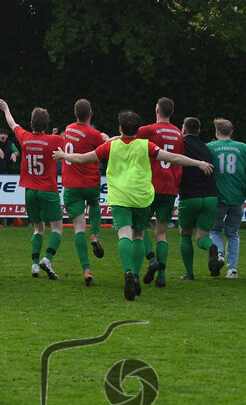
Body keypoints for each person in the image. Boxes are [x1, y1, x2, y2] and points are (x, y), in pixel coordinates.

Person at [54, 110, 213, 300]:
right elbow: (173, 158)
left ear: (120, 128)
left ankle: (127, 271)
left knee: (124, 235)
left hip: (120, 198)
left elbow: (82, 158)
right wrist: (198, 163)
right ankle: (136, 276)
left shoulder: (111, 146)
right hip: (141, 197)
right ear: (137, 129)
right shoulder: (146, 145)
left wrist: (64, 155)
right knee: (138, 235)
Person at [0, 99, 65, 280]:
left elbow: (12, 124)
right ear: (47, 124)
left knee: (37, 228)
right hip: (48, 189)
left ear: (31, 123)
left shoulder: (25, 137)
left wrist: (6, 108)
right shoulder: (55, 140)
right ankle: (47, 259)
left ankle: (35, 265)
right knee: (57, 228)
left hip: (29, 190)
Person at [61, 99, 109, 286]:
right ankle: (94, 234)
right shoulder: (94, 134)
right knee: (95, 204)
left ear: (75, 114)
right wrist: (106, 137)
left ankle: (86, 270)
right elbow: (105, 147)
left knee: (78, 227)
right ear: (91, 114)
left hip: (71, 185)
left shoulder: (69, 129)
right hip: (90, 183)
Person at [137, 97, 184, 283]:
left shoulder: (148, 130)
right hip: (170, 186)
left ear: (157, 110)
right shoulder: (178, 133)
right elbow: (179, 158)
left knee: (138, 227)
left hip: (150, 186)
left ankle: (152, 260)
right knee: (161, 233)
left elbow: (127, 138)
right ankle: (162, 276)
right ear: (172, 112)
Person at [206, 119, 246, 279]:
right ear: (231, 132)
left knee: (215, 230)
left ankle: (219, 255)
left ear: (217, 132)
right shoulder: (242, 147)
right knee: (233, 233)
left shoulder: (210, 147)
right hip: (238, 197)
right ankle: (233, 270)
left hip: (218, 197)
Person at [176, 117, 223, 281]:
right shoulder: (206, 147)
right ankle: (211, 247)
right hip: (210, 196)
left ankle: (189, 273)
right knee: (202, 236)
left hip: (190, 196)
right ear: (199, 131)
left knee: (185, 234)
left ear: (183, 129)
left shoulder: (180, 144)